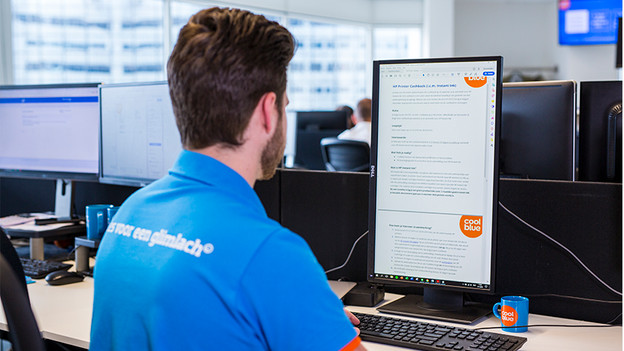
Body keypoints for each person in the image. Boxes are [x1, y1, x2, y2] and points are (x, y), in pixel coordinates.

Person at [90, 7, 365, 351]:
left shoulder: (129, 215)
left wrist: (308, 311)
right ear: (268, 111)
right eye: (285, 105)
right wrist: (318, 315)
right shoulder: (272, 254)